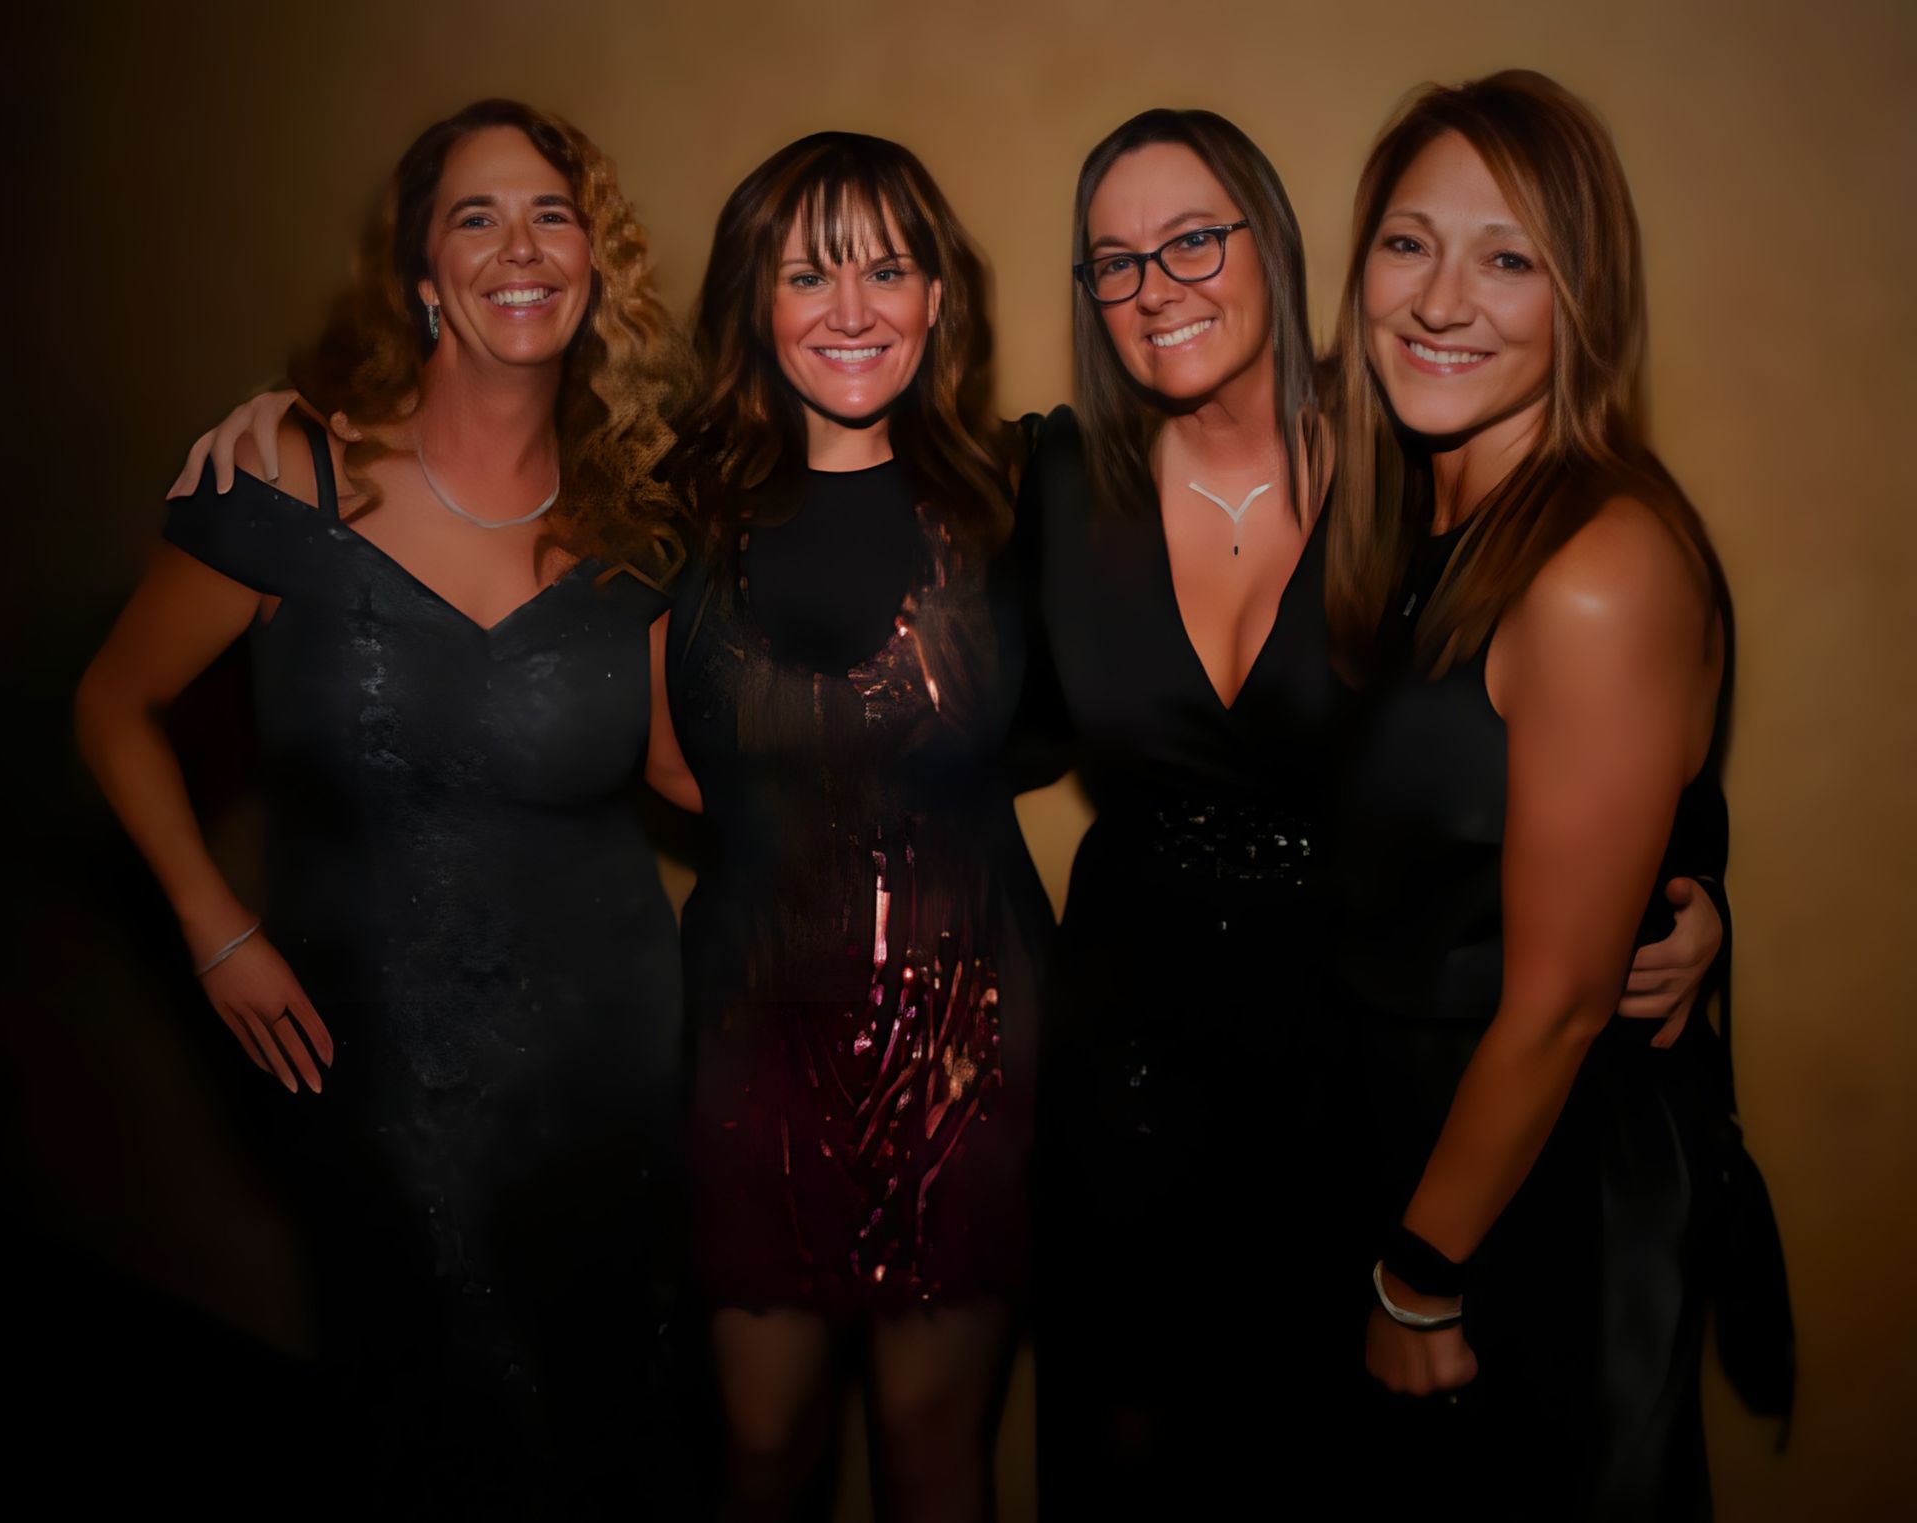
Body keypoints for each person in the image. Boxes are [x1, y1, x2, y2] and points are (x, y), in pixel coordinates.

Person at [1020, 106, 1728, 1517]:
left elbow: (1610, 714)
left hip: (1347, 1077)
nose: (1158, 284)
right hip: (1136, 1061)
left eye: (1194, 239)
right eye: (1116, 260)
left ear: (1276, 248)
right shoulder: (1046, 483)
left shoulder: (1398, 450)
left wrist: (1688, 898)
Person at [75, 99, 694, 1517]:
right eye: (475, 216)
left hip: (610, 1073)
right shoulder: (295, 475)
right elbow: (110, 709)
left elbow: (677, 771)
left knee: (607, 1435)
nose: (519, 246)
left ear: (592, 265)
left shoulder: (632, 529)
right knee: (426, 1422)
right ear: (424, 274)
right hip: (378, 1083)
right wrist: (213, 925)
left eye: (550, 213)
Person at [1323, 70, 1730, 1518]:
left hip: (1532, 1214)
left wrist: (1419, 1281)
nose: (1441, 301)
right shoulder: (1417, 520)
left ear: (1585, 300)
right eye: (1407, 242)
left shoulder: (1596, 568)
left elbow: (1558, 1003)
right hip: (1427, 1156)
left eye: (1509, 258)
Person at [656, 132, 1050, 1522]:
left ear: (940, 297)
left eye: (888, 267)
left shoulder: (1028, 500)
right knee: (759, 1456)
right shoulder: (670, 515)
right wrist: (313, 421)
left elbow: (1271, 591)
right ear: (751, 304)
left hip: (967, 1052)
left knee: (933, 1463)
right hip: (749, 1054)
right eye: (806, 271)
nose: (851, 308)